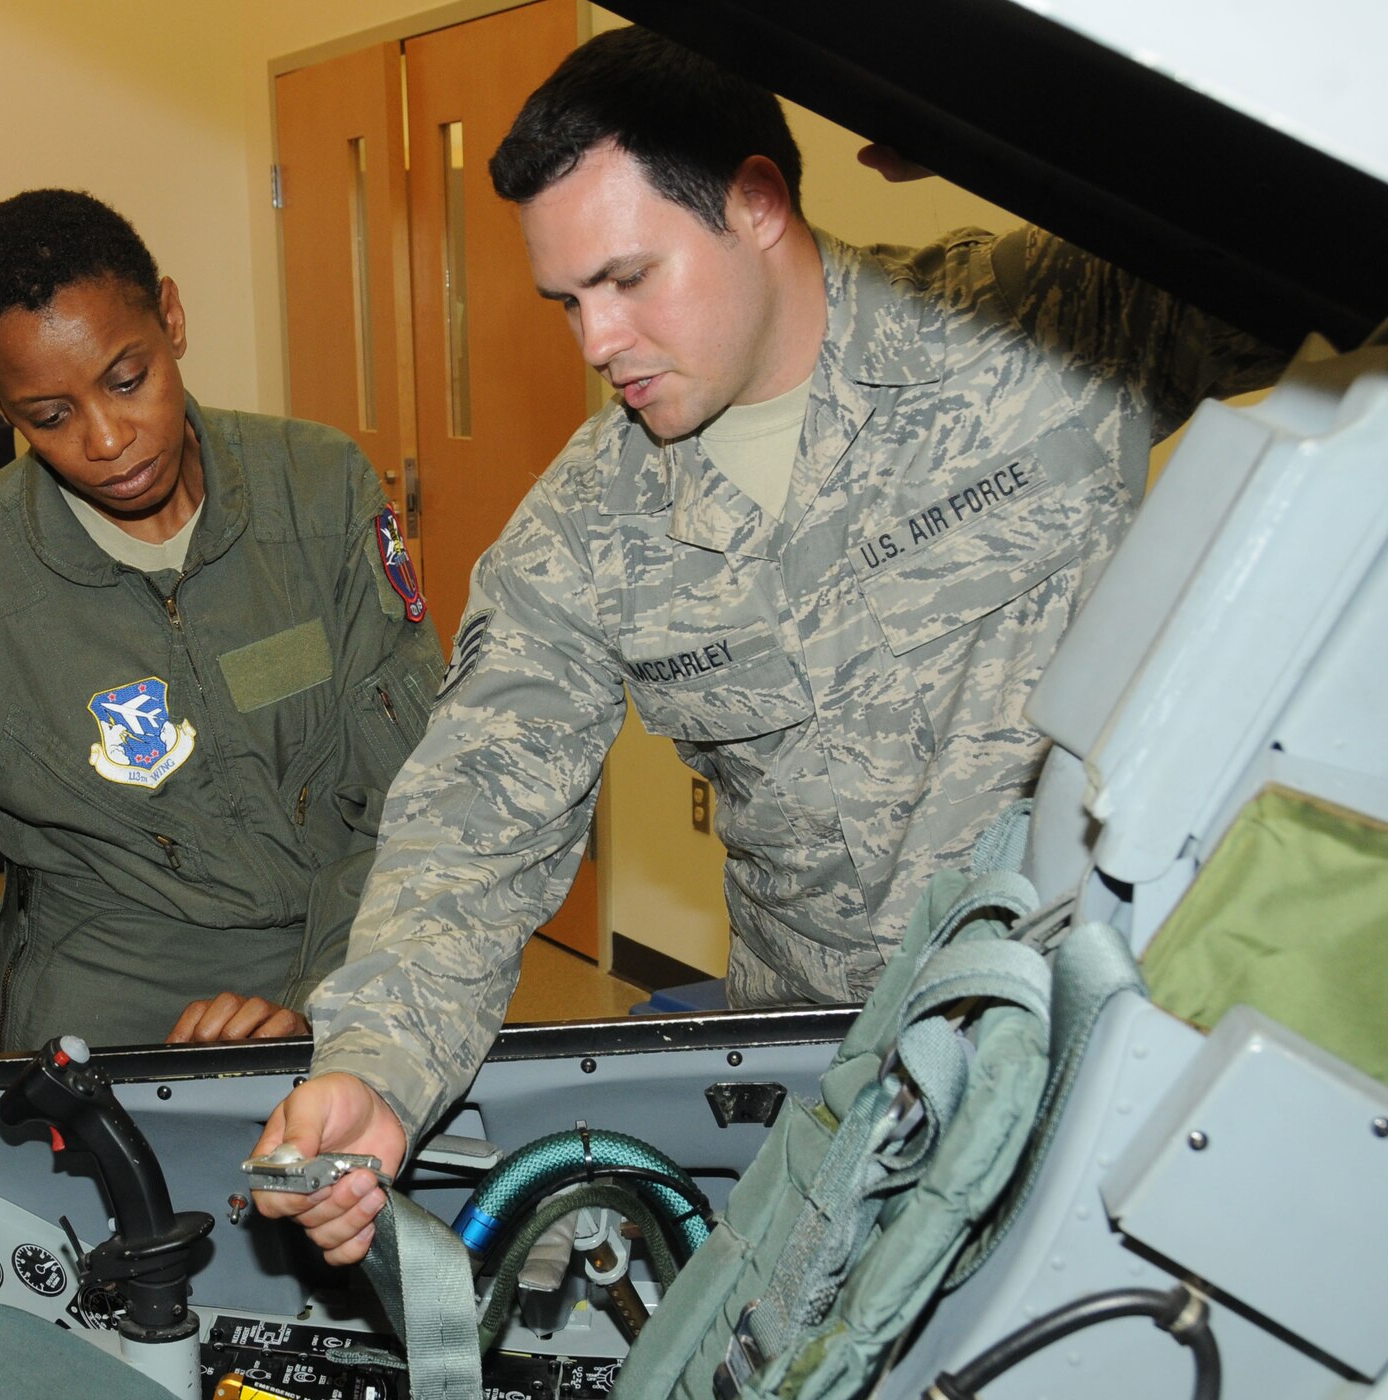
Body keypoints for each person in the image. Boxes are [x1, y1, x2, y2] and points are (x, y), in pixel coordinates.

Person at [253, 26, 1281, 1263]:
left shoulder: (1047, 330)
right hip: (840, 1093)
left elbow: (1311, 220)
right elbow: (470, 823)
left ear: (754, 202)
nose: (594, 342)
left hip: (1108, 1037)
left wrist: (1038, 124)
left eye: (628, 279)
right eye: (567, 300)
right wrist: (378, 1063)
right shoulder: (588, 531)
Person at [0, 190, 443, 1088]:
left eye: (127, 380)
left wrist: (321, 1004)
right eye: (48, 416)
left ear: (170, 317)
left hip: (354, 959)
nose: (107, 438)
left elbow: (412, 787)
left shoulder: (319, 490)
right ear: (0, 406)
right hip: (107, 1011)